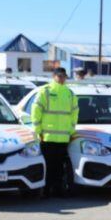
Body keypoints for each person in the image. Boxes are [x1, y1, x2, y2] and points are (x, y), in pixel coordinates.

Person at [31, 67, 78, 197]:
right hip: (47, 137)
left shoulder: (69, 93)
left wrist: (71, 130)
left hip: (63, 138)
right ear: (54, 76)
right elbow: (36, 110)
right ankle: (46, 190)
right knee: (48, 165)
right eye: (60, 76)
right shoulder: (45, 91)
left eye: (64, 76)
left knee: (59, 167)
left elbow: (74, 113)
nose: (62, 78)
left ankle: (57, 190)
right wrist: (37, 129)